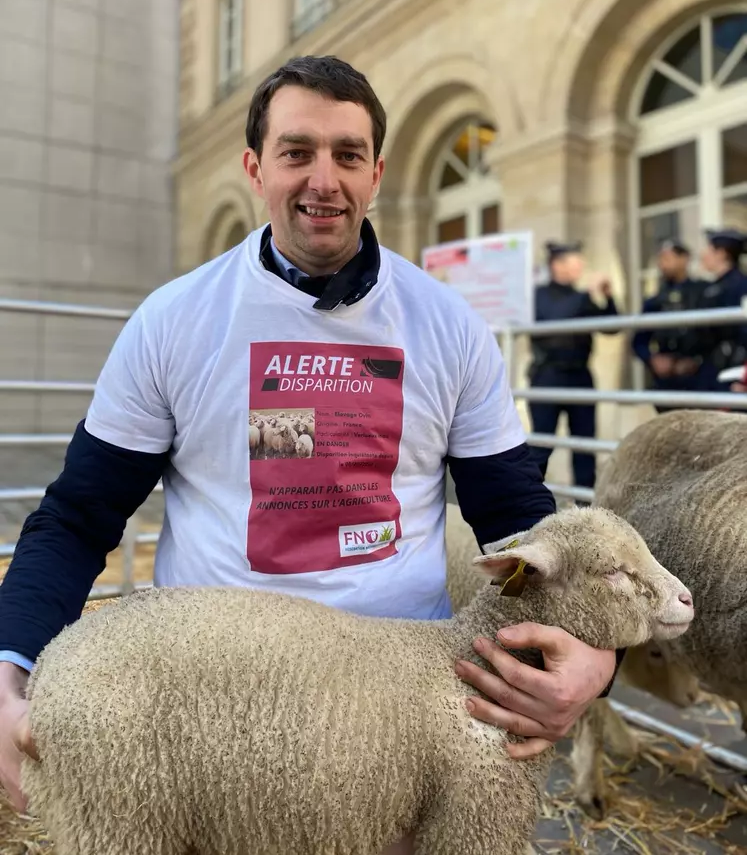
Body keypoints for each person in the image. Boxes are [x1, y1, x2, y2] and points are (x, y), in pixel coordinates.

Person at [0, 57, 617, 852]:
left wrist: (598, 663)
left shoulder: (447, 326)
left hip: (397, 717)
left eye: (347, 155)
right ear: (255, 167)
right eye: (296, 152)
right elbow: (80, 516)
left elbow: (519, 520)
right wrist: (8, 669)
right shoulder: (174, 322)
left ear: (376, 174)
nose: (323, 180)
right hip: (209, 706)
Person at [527, 241, 618, 492]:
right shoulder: (539, 295)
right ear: (557, 265)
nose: (581, 266)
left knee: (584, 445)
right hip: (548, 375)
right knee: (542, 443)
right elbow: (558, 316)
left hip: (580, 375)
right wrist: (588, 293)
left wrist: (608, 298)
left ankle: (584, 503)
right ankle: (528, 501)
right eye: (574, 261)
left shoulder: (579, 297)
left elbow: (612, 327)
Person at [631, 239, 709, 412]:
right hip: (667, 380)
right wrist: (653, 359)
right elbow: (638, 341)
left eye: (668, 258)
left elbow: (716, 337)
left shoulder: (703, 293)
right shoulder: (655, 301)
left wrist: (696, 361)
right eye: (660, 259)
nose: (662, 264)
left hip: (696, 379)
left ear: (684, 259)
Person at [698, 228, 747, 391]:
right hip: (711, 368)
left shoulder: (741, 286)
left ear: (722, 254)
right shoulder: (711, 288)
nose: (704, 255)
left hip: (734, 371)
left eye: (710, 249)